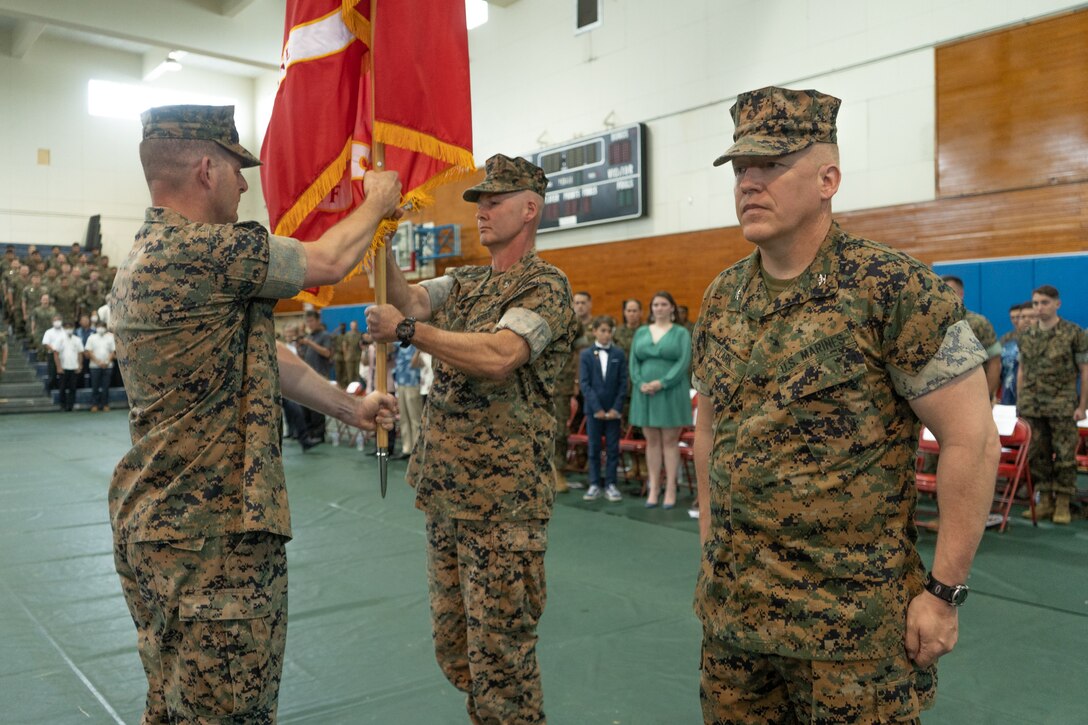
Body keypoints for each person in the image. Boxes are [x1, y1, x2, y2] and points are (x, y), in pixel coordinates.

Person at [692, 86, 999, 723]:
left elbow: (973, 440)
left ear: (829, 178)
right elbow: (711, 428)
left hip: (852, 636)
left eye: (771, 165)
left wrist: (943, 593)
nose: (749, 182)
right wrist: (710, 551)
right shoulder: (723, 297)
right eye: (741, 168)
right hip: (735, 622)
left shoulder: (893, 288)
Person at [108, 104, 401, 723]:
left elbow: (264, 354)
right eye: (239, 170)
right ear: (207, 170)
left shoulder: (146, 258)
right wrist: (376, 201)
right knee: (230, 711)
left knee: (174, 703)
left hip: (160, 527)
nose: (246, 185)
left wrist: (349, 406)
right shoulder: (204, 253)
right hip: (214, 539)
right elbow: (327, 263)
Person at [365, 153, 578, 724]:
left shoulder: (545, 284)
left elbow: (501, 355)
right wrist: (379, 234)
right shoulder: (466, 281)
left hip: (503, 505)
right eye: (479, 201)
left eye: (495, 201)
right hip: (447, 494)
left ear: (530, 209)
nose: (482, 211)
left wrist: (409, 332)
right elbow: (406, 298)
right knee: (458, 651)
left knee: (502, 660)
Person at [1016, 285, 1088, 525]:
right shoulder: (1026, 335)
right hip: (1032, 404)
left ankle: (1063, 502)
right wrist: (1019, 401)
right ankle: (1045, 498)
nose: (1039, 307)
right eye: (1035, 303)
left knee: (1066, 455)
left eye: (1044, 302)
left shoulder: (1073, 333)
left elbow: (1084, 371)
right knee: (1037, 454)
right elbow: (1022, 370)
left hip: (1062, 404)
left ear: (1057, 304)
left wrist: (1082, 405)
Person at [628, 290, 692, 508]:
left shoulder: (681, 333)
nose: (659, 308)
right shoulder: (641, 332)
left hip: (671, 391)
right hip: (644, 392)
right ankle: (654, 488)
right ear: (651, 309)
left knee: (669, 441)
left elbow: (684, 362)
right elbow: (633, 361)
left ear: (672, 308)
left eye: (664, 304)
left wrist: (662, 382)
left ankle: (671, 488)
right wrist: (639, 382)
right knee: (651, 441)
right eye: (656, 304)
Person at [579, 314, 627, 502]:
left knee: (613, 448)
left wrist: (616, 408)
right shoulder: (586, 355)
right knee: (594, 447)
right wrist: (596, 407)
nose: (606, 335)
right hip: (594, 410)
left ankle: (611, 484)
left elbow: (623, 383)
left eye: (609, 331)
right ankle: (593, 483)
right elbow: (585, 384)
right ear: (595, 332)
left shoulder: (619, 354)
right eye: (602, 331)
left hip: (613, 411)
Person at [941, 275, 1002, 399]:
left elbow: (994, 362)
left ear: (961, 294)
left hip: (975, 395)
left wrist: (987, 396)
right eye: (941, 291)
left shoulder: (978, 323)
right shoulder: (933, 325)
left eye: (950, 291)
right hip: (945, 397)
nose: (945, 296)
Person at [296, 310, 334, 448]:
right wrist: (299, 348)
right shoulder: (308, 336)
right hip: (307, 375)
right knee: (306, 406)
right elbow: (304, 357)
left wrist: (309, 343)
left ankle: (319, 434)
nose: (309, 324)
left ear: (318, 320)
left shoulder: (325, 335)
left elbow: (327, 353)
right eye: (307, 321)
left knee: (317, 407)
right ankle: (310, 433)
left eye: (311, 321)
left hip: (320, 375)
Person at [998, 301, 1033, 405]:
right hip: (1009, 389)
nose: (1016, 320)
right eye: (1012, 317)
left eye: (1018, 317)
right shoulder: (1006, 339)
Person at [393, 342, 423, 459]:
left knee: (415, 418)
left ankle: (417, 450)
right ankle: (407, 448)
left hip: (413, 383)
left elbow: (416, 364)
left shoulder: (418, 344)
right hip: (400, 383)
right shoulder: (399, 344)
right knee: (404, 418)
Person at [84, 321, 116, 411]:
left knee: (106, 386)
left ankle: (105, 404)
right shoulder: (91, 337)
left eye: (102, 326)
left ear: (105, 328)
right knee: (95, 386)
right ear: (96, 327)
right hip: (94, 366)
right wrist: (98, 362)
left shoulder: (110, 338)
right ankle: (95, 404)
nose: (100, 328)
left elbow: (113, 351)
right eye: (99, 326)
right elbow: (89, 351)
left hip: (108, 366)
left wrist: (106, 362)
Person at [54, 320, 84, 411]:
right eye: (67, 328)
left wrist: (80, 365)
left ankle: (70, 406)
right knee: (62, 388)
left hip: (74, 367)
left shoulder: (77, 339)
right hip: (63, 367)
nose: (69, 330)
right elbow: (56, 353)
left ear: (73, 329)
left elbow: (80, 353)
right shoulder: (60, 339)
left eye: (70, 328)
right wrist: (58, 367)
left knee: (73, 388)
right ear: (64, 329)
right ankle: (62, 405)